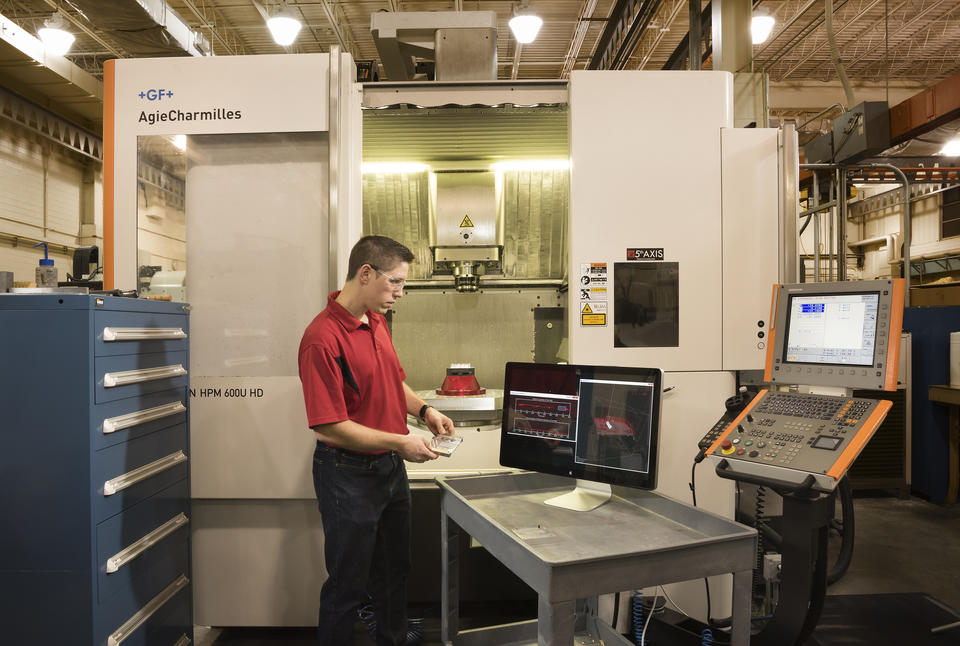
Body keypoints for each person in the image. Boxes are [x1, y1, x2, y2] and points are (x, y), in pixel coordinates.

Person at [298, 235, 455, 646]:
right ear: (365, 273)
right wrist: (401, 442)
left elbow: (393, 382)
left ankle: (392, 636)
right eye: (396, 283)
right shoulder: (321, 338)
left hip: (388, 468)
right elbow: (328, 425)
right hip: (346, 473)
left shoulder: (377, 320)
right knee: (348, 582)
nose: (400, 293)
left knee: (394, 569)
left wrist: (425, 411)